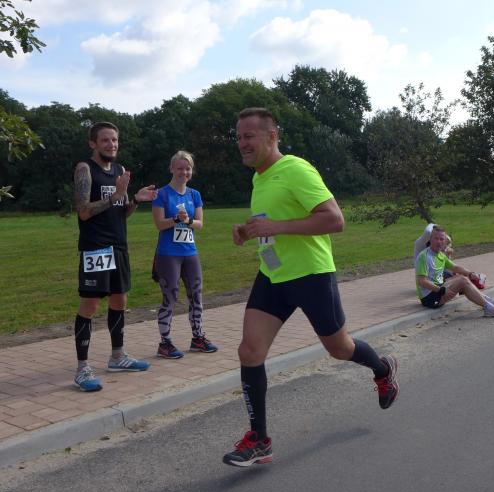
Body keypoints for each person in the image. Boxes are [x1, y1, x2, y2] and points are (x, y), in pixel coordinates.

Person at [222, 108, 399, 467]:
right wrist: (249, 230)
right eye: (238, 137)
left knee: (339, 348)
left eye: (249, 136)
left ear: (272, 136)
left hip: (311, 275)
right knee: (250, 351)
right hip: (273, 275)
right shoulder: (259, 177)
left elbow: (335, 219)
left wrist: (276, 227)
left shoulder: (296, 169)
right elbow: (272, 220)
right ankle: (259, 440)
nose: (242, 143)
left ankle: (382, 370)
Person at [72, 122, 158, 392]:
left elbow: (121, 212)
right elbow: (83, 211)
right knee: (90, 305)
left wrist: (135, 200)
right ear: (93, 143)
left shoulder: (120, 171)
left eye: (115, 140)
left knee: (120, 300)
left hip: (119, 246)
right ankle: (82, 369)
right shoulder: (85, 169)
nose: (112, 145)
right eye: (106, 140)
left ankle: (117, 357)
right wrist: (116, 195)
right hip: (96, 247)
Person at [151, 150, 218, 359]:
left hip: (190, 252)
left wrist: (187, 220)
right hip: (168, 254)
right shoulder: (162, 194)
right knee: (170, 296)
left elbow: (199, 224)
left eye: (187, 168)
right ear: (172, 169)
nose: (184, 172)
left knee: (196, 295)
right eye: (180, 168)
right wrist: (176, 219)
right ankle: (165, 343)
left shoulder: (194, 194)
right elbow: (159, 224)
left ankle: (198, 338)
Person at [415, 225, 494, 317]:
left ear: (444, 241)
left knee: (462, 278)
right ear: (430, 239)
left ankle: (487, 302)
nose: (439, 242)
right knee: (462, 281)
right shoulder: (424, 256)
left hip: (438, 290)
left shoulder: (440, 254)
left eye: (441, 239)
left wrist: (470, 273)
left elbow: (455, 267)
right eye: (436, 238)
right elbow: (422, 281)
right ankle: (489, 307)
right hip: (430, 298)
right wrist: (441, 290)